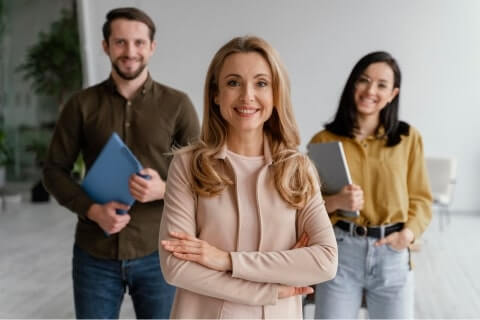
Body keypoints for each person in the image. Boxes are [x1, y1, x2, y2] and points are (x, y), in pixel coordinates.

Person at [157, 35, 337, 319]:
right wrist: (269, 288)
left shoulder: (299, 169)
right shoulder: (188, 165)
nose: (247, 96)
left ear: (276, 94)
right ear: (215, 94)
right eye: (233, 82)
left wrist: (224, 260)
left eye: (261, 83)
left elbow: (325, 261)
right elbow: (176, 267)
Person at [43, 7, 200, 319]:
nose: (130, 52)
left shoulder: (178, 105)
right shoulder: (81, 105)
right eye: (120, 42)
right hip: (94, 253)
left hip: (159, 252)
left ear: (152, 47)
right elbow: (53, 171)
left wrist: (163, 189)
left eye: (139, 43)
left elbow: (203, 180)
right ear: (106, 46)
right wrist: (92, 210)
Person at [310, 51, 432, 319]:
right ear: (352, 84)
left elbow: (422, 199)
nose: (370, 90)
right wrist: (336, 202)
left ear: (393, 94)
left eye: (381, 84)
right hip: (341, 253)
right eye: (363, 80)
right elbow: (307, 208)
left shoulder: (408, 138)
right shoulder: (323, 140)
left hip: (392, 254)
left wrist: (408, 235)